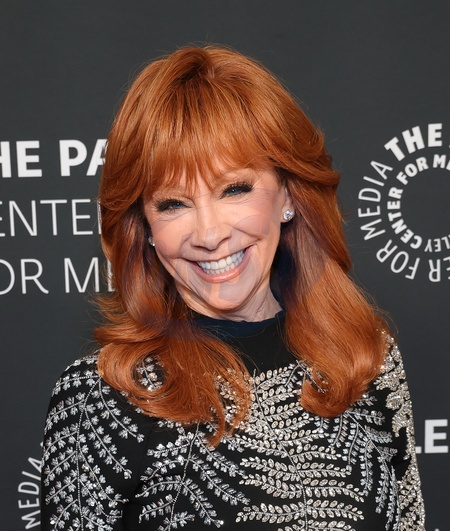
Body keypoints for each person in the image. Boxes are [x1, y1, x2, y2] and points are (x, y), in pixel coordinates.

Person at [41, 45, 425, 530]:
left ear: (287, 194)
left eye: (234, 189)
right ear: (146, 228)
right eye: (173, 204)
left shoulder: (365, 359)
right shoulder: (103, 398)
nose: (209, 234)